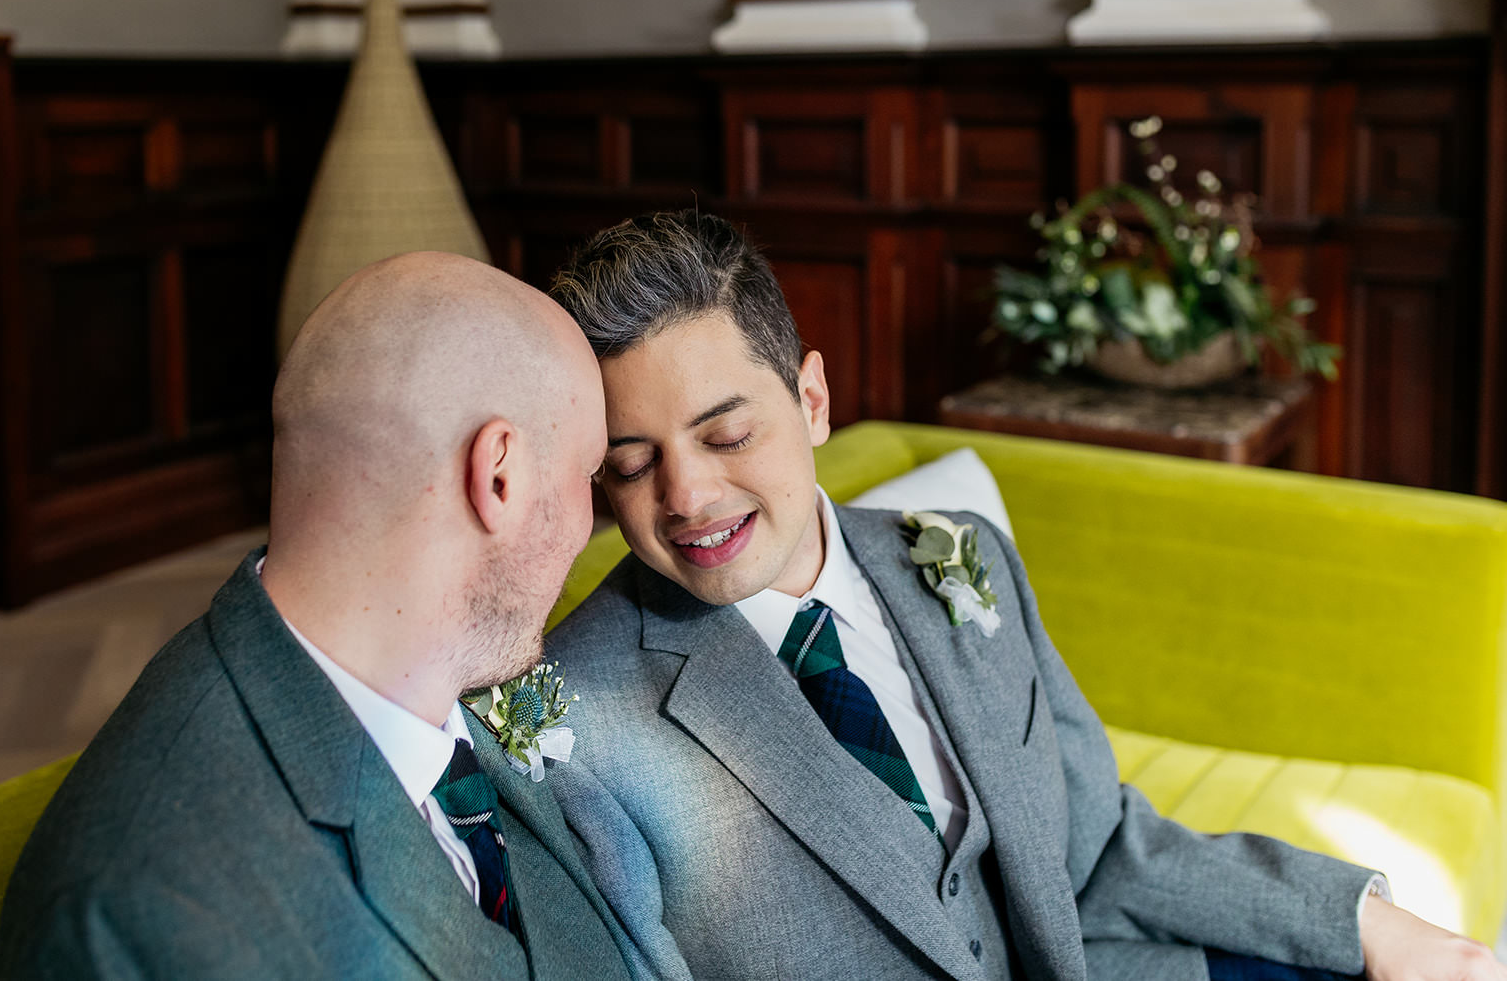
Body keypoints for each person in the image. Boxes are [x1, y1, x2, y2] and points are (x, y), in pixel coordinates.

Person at [543, 210, 1505, 981]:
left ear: (813, 401)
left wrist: (1371, 924)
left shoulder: (963, 556)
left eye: (726, 436)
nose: (686, 498)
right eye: (631, 466)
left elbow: (1098, 843)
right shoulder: (572, 719)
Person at [0, 252, 638, 980]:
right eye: (588, 476)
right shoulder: (142, 923)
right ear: (498, 476)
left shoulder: (439, 670)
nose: (591, 522)